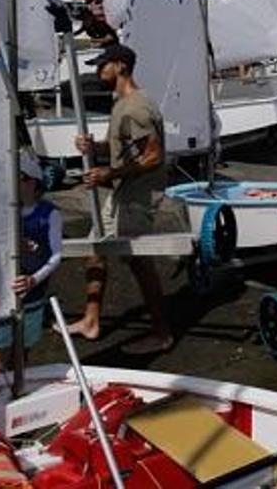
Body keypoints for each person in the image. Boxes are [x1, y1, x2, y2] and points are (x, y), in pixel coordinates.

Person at [68, 43, 174, 354]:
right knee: (95, 249)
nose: (98, 70)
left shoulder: (137, 107)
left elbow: (154, 157)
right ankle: (91, 320)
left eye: (103, 64)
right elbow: (124, 150)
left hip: (139, 195)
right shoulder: (122, 103)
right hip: (123, 190)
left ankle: (162, 332)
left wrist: (107, 174)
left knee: (139, 261)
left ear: (121, 67)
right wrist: (95, 148)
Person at [0, 150, 62, 377]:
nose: (16, 182)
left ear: (35, 183)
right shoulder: (1, 211)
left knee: (23, 349)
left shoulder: (50, 214)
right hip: (3, 294)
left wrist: (33, 279)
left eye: (23, 177)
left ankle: (18, 390)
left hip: (34, 292)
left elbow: (56, 256)